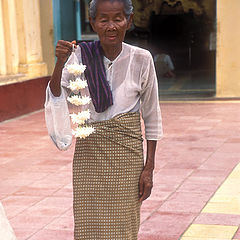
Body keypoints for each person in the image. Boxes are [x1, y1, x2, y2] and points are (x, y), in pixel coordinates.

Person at [44, 0, 162, 239]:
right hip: (89, 155)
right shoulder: (78, 56)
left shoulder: (142, 59)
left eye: (118, 19)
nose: (111, 26)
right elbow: (56, 93)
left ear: (128, 21)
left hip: (127, 158)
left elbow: (152, 116)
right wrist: (60, 62)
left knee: (123, 227)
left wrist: (148, 168)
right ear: (93, 23)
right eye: (103, 19)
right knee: (89, 225)